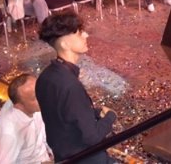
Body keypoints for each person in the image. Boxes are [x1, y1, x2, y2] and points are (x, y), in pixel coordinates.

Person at [36, 12, 116, 163]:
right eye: (79, 33)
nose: (86, 35)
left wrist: (93, 113)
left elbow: (64, 115)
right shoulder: (69, 85)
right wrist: (111, 117)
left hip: (63, 155)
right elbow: (92, 137)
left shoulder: (46, 77)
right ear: (64, 44)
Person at [0, 73, 53, 163]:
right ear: (19, 106)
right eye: (35, 97)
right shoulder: (9, 133)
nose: (43, 96)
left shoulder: (34, 106)